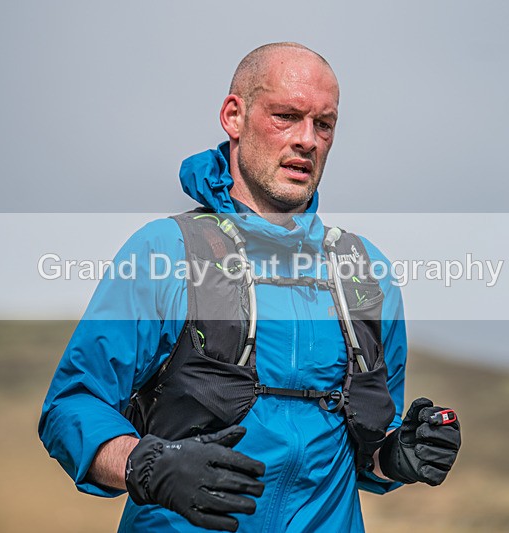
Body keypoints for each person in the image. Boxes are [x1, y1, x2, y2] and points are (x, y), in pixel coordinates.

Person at [39, 42, 461, 532]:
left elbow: (365, 452)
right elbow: (71, 406)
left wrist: (399, 455)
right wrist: (145, 465)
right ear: (233, 116)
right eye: (286, 116)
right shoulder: (164, 253)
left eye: (323, 124)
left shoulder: (366, 275)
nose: (307, 140)